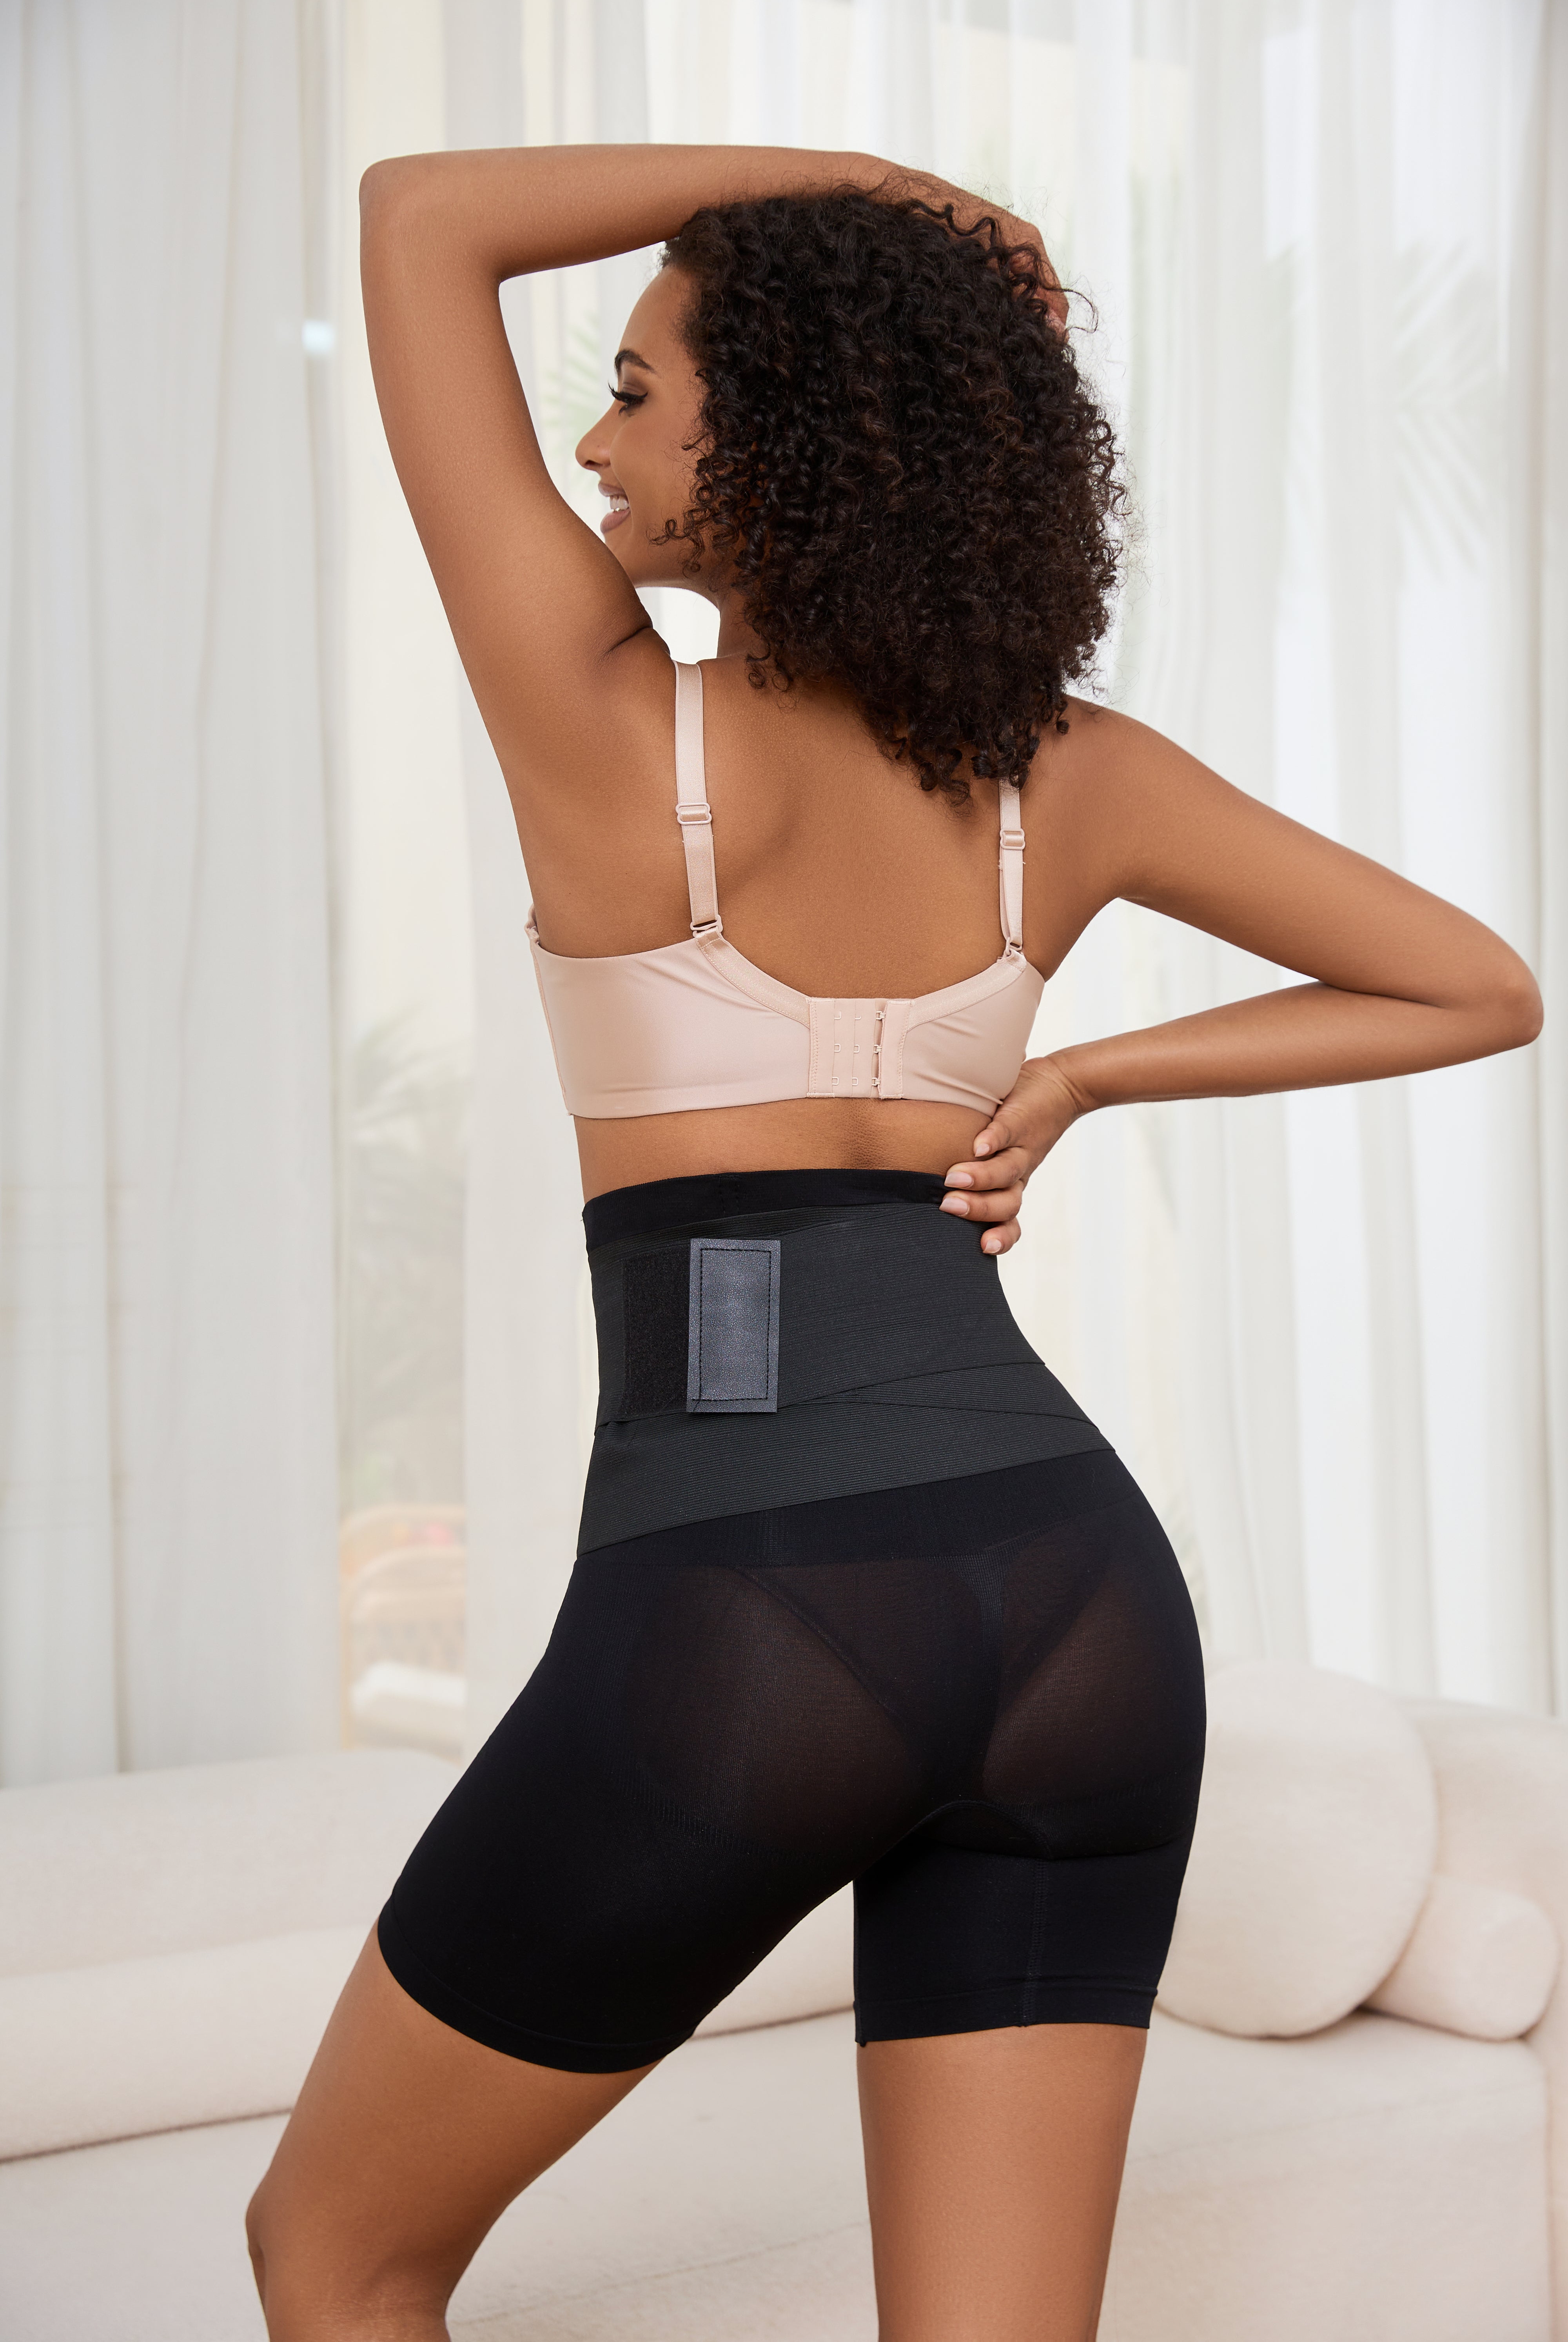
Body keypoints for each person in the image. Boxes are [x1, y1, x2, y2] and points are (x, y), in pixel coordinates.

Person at [245, 145, 1542, 2342]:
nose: (591, 444)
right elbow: (1477, 984)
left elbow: (412, 216)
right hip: (1079, 1608)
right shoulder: (1064, 779)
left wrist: (863, 188)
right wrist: (1085, 1071)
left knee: (337, 2252)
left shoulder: (605, 724)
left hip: (755, 1609)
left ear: (786, 432)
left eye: (636, 392)